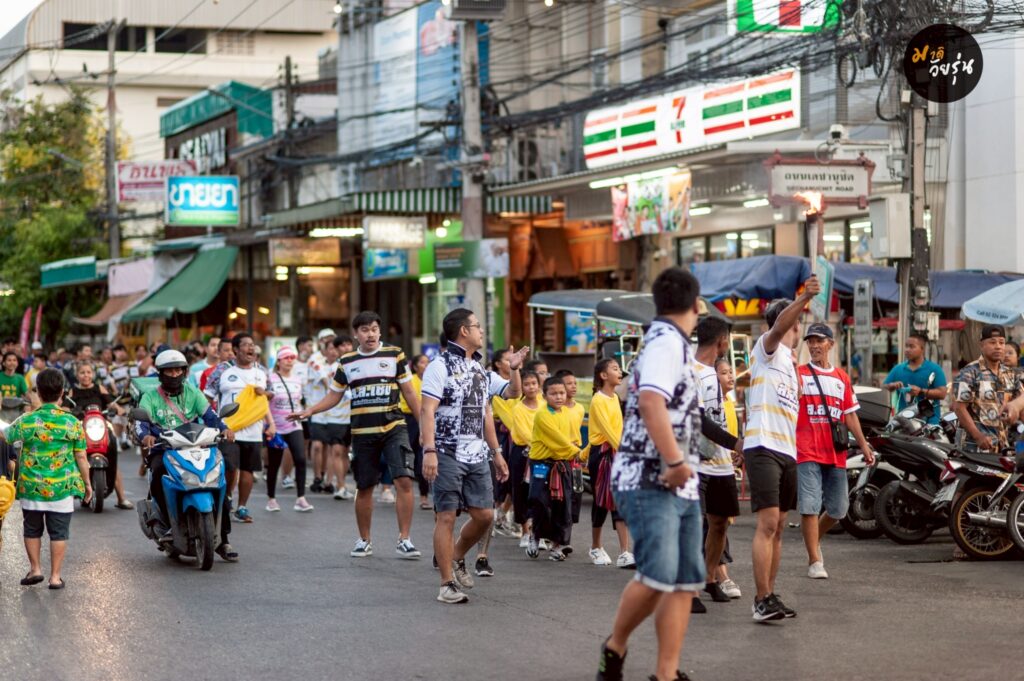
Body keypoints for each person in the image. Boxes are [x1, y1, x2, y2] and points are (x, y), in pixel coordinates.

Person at [596, 267, 738, 681]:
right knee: (658, 576)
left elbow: (685, 414)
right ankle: (614, 648)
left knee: (683, 581)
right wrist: (675, 461)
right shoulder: (662, 343)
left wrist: (711, 453)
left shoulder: (676, 346)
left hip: (683, 481)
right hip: (648, 479)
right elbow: (652, 404)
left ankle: (666, 673)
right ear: (697, 305)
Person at [291, 311, 422, 559]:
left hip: (394, 428)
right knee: (364, 486)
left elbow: (410, 393)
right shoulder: (347, 362)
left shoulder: (395, 355)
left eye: (374, 329)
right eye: (364, 330)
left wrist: (426, 427)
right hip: (362, 433)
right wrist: (310, 410)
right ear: (355, 335)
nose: (370, 334)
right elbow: (334, 395)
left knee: (403, 480)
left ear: (379, 332)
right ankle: (364, 540)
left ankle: (404, 539)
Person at [743, 277, 820, 623]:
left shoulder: (791, 364)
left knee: (780, 524)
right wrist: (803, 297)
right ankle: (759, 599)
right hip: (762, 444)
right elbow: (780, 327)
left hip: (787, 450)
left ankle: (770, 596)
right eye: (790, 320)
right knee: (769, 523)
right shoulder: (765, 349)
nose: (794, 326)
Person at [421, 309, 510, 603]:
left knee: (485, 516)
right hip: (446, 451)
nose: (481, 331)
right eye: (477, 326)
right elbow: (427, 410)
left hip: (477, 453)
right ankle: (446, 583)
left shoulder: (479, 369)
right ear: (463, 331)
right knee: (446, 516)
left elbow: (490, 410)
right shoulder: (440, 366)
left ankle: (456, 555)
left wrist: (496, 453)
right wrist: (430, 450)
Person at [136, 350, 238, 561]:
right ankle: (166, 525)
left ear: (184, 371)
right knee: (158, 475)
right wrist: (145, 436)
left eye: (178, 370)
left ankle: (224, 540)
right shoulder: (151, 397)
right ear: (160, 373)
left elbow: (211, 417)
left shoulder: (193, 392)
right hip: (164, 449)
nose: (174, 375)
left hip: (196, 447)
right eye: (169, 371)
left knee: (219, 482)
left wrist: (225, 429)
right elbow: (141, 422)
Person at [796, 323, 874, 579]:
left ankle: (812, 540)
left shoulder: (841, 377)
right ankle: (814, 560)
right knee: (809, 506)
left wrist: (863, 445)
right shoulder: (799, 373)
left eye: (819, 340)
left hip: (835, 451)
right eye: (810, 341)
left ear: (831, 343)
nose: (814, 345)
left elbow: (850, 415)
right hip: (806, 450)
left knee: (839, 509)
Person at [4, 368, 92, 589]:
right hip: (62, 487)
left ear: (39, 393)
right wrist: (87, 484)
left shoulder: (27, 420)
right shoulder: (72, 423)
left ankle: (35, 569)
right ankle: (54, 577)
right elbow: (81, 456)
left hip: (32, 486)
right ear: (62, 393)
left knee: (32, 528)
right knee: (59, 532)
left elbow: (5, 436)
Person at [692, 316, 740, 611]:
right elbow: (697, 419)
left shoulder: (715, 372)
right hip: (693, 460)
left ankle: (710, 579)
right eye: (728, 340)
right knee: (694, 526)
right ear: (721, 341)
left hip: (720, 461)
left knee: (719, 524)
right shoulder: (690, 372)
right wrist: (736, 443)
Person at [206, 333, 273, 524]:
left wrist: (266, 395)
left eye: (253, 345)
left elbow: (270, 396)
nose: (251, 348)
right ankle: (226, 499)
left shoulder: (262, 371)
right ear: (236, 350)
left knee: (248, 470)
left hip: (253, 431)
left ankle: (242, 506)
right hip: (228, 429)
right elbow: (207, 397)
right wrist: (208, 422)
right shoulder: (221, 370)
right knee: (229, 466)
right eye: (246, 345)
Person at [587, 358, 634, 568]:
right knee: (601, 500)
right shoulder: (598, 399)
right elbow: (606, 430)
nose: (620, 372)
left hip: (617, 451)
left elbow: (619, 427)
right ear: (603, 376)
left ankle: (625, 552)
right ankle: (596, 546)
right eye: (615, 369)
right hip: (603, 454)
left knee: (619, 499)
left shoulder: (614, 397)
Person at [67, 363, 133, 510]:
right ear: (77, 375)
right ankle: (66, 496)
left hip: (100, 424)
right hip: (80, 426)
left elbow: (111, 403)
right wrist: (69, 411)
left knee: (112, 455)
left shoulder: (99, 388)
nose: (86, 375)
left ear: (93, 374)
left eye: (88, 372)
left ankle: (121, 498)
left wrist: (118, 409)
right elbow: (65, 406)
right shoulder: (73, 391)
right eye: (82, 372)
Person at [952, 325, 1024, 451]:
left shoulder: (1010, 374)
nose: (998, 346)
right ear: (981, 345)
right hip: (972, 447)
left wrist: (1014, 410)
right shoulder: (969, 372)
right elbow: (959, 407)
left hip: (1001, 446)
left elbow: (1021, 399)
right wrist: (977, 436)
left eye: (1001, 342)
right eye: (992, 342)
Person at [493, 371, 543, 548]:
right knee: (520, 491)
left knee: (540, 493)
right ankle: (525, 531)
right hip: (523, 453)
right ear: (520, 387)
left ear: (539, 385)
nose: (531, 387)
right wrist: (538, 444)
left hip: (543, 454)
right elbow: (520, 431)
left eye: (534, 383)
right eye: (527, 384)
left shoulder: (545, 405)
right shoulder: (518, 408)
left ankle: (539, 531)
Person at [265, 346, 313, 513]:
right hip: (275, 427)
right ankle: (271, 499)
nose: (290, 360)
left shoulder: (298, 379)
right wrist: (268, 424)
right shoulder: (270, 379)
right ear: (278, 361)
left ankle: (301, 498)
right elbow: (264, 403)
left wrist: (301, 413)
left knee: (300, 459)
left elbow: (301, 401)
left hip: (294, 426)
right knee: (274, 463)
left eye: (292, 357)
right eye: (286, 357)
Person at [882, 333, 948, 425]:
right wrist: (892, 386)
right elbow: (883, 388)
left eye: (912, 347)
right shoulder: (898, 369)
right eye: (906, 346)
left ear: (922, 349)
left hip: (929, 424)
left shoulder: (934, 369)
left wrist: (921, 391)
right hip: (904, 423)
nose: (907, 350)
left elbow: (942, 393)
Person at [321, 335, 355, 500]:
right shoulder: (333, 368)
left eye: (349, 344)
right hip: (334, 416)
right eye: (342, 346)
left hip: (352, 416)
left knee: (345, 452)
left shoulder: (356, 364)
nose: (346, 348)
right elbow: (332, 390)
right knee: (336, 451)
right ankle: (340, 486)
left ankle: (343, 485)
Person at [402, 353, 431, 510]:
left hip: (425, 419)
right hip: (409, 419)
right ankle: (401, 491)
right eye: (422, 362)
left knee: (422, 457)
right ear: (414, 366)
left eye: (428, 362)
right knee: (407, 455)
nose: (426, 365)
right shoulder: (410, 380)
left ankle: (424, 496)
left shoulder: (431, 380)